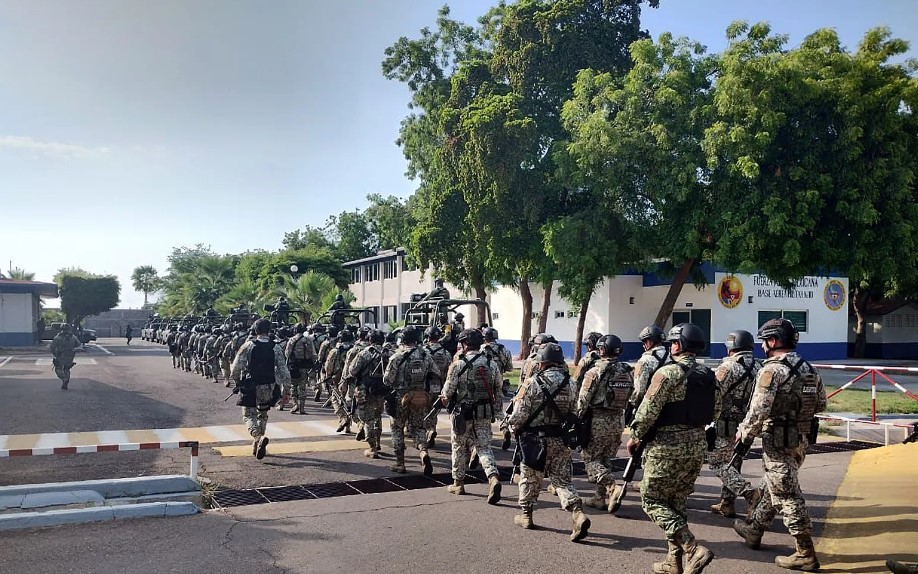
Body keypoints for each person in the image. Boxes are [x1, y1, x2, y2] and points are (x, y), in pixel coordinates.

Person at [733, 318, 827, 571]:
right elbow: (821, 404)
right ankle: (754, 530)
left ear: (773, 341)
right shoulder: (809, 368)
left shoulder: (771, 370)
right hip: (801, 439)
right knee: (773, 483)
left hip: (777, 440)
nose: (763, 346)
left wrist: (744, 433)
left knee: (787, 495)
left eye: (765, 341)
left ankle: (805, 552)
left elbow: (759, 409)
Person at [626, 323, 720, 574]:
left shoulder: (667, 373)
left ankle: (691, 547)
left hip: (666, 447)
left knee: (651, 498)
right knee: (677, 501)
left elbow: (647, 410)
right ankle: (673, 562)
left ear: (678, 345)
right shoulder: (710, 375)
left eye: (672, 343)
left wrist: (635, 436)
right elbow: (717, 410)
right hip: (697, 445)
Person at [506, 341, 590, 542]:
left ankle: (526, 515)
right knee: (562, 481)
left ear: (541, 362)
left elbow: (519, 415)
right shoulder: (570, 383)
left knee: (529, 478)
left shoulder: (531, 383)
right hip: (560, 439)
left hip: (535, 441)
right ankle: (577, 512)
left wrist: (511, 428)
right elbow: (575, 411)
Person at [439, 328, 503, 504]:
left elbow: (447, 392)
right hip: (483, 413)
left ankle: (458, 483)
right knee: (483, 447)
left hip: (462, 414)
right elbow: (499, 386)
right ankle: (493, 477)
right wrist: (497, 411)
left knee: (459, 447)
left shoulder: (458, 364)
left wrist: (444, 400)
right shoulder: (491, 363)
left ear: (465, 344)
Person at [708, 330, 762, 518]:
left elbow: (714, 393)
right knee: (734, 462)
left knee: (717, 463)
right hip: (746, 424)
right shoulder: (759, 366)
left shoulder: (728, 366)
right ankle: (727, 503)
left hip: (725, 423)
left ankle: (749, 493)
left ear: (731, 346)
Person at [576, 334, 633, 512]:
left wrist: (576, 419)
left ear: (601, 350)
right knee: (605, 459)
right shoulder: (627, 370)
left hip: (597, 421)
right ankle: (599, 498)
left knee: (590, 459)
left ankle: (611, 487)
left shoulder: (595, 371)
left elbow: (583, 400)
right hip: (618, 420)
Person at [230, 319, 290, 460]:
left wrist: (238, 383)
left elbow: (235, 368)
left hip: (251, 386)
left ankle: (257, 436)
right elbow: (284, 371)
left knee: (248, 415)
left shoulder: (248, 346)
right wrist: (286, 390)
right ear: (269, 330)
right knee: (263, 414)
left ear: (255, 330)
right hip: (268, 386)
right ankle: (258, 443)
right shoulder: (276, 348)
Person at [384, 325, 440, 473]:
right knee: (419, 428)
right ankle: (423, 452)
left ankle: (400, 463)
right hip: (419, 398)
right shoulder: (424, 355)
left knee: (397, 428)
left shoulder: (397, 356)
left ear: (402, 339)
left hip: (400, 398)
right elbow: (436, 372)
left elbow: (387, 380)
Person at [626, 324, 673, 425]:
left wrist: (633, 405)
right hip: (671, 407)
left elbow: (639, 390)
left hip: (651, 407)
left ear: (649, 341)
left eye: (644, 342)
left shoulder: (645, 360)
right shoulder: (672, 357)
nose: (643, 345)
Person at [423, 326, 453, 447]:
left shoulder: (423, 351)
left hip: (425, 385)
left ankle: (427, 431)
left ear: (428, 337)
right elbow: (449, 371)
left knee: (424, 410)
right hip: (439, 384)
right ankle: (432, 429)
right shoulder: (446, 353)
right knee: (434, 409)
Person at [324, 329, 355, 433]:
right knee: (350, 401)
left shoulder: (335, 351)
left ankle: (343, 418)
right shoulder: (355, 350)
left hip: (337, 378)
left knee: (336, 399)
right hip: (352, 379)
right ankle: (348, 427)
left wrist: (328, 376)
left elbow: (328, 365)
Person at [285, 323, 317, 415]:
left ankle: (295, 404)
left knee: (293, 386)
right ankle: (302, 408)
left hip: (294, 366)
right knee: (302, 387)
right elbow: (313, 354)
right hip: (305, 366)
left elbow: (287, 353)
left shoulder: (292, 340)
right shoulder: (308, 340)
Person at [482, 327, 514, 398]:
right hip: (498, 386)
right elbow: (509, 368)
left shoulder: (480, 349)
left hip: (482, 385)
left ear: (484, 337)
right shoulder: (504, 350)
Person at [50, 324, 81, 390]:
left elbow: (52, 347)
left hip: (61, 355)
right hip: (70, 355)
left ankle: (64, 379)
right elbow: (78, 345)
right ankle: (66, 382)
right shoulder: (73, 337)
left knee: (58, 369)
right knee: (67, 369)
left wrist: (55, 354)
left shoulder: (57, 338)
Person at [573, 331, 603, 396]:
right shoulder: (607, 357)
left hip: (587, 394)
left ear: (590, 345)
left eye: (587, 345)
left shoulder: (587, 358)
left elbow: (576, 379)